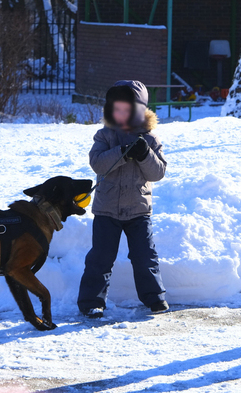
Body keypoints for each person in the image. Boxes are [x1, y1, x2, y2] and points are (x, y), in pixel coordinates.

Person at [77, 80, 169, 318]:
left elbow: (157, 173)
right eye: (116, 109)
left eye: (126, 109)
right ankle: (91, 302)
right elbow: (97, 163)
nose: (121, 114)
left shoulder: (150, 140)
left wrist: (144, 154)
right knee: (100, 258)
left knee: (144, 256)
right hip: (107, 210)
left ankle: (155, 299)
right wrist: (120, 152)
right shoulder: (105, 136)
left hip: (139, 211)